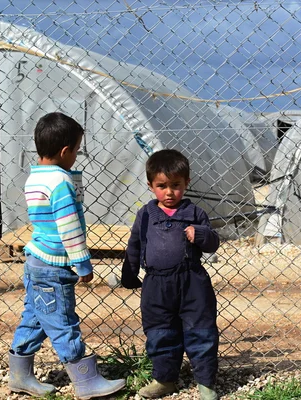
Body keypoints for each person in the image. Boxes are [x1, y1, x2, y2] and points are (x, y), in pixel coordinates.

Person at [8, 112, 125, 398]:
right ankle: (85, 380)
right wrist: (82, 263)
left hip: (35, 260)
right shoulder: (60, 183)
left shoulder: (36, 177)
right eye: (76, 150)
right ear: (65, 151)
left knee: (35, 317)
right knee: (63, 321)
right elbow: (69, 227)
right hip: (54, 264)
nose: (76, 156)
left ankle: (19, 375)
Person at [121, 149, 220, 400]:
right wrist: (130, 274)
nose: (169, 192)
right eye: (162, 186)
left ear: (186, 183)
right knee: (159, 331)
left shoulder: (195, 213)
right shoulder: (145, 215)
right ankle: (164, 379)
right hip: (156, 284)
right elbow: (135, 244)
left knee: (201, 330)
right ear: (151, 186)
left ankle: (206, 383)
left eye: (176, 185)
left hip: (192, 282)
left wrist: (200, 234)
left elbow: (212, 243)